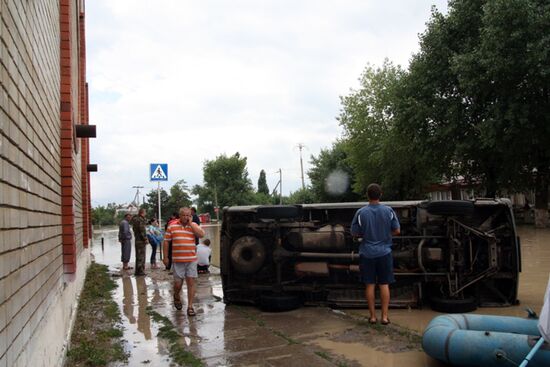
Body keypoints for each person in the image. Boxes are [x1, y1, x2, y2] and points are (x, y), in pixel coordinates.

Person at [351, 183, 400, 325]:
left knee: (370, 285)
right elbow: (397, 231)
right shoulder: (389, 211)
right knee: (384, 284)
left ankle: (372, 317)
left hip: (367, 253)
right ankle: (384, 317)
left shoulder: (360, 213)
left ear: (367, 195)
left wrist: (365, 234)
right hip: (384, 253)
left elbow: (354, 233)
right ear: (381, 195)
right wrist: (386, 234)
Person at [163, 207, 205, 315]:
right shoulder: (172, 226)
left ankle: (190, 307)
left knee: (191, 283)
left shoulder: (193, 225)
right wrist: (166, 257)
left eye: (188, 215)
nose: (186, 217)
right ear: (180, 216)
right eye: (184, 215)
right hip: (178, 260)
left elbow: (201, 235)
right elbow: (166, 241)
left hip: (191, 259)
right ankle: (176, 296)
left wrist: (191, 224)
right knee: (178, 284)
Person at [131, 208, 149, 276]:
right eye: (145, 212)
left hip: (137, 239)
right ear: (142, 213)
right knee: (141, 256)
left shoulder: (135, 220)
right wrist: (145, 239)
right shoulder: (140, 220)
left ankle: (138, 271)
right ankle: (140, 271)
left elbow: (134, 229)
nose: (146, 214)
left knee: (138, 256)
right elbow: (142, 231)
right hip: (141, 241)